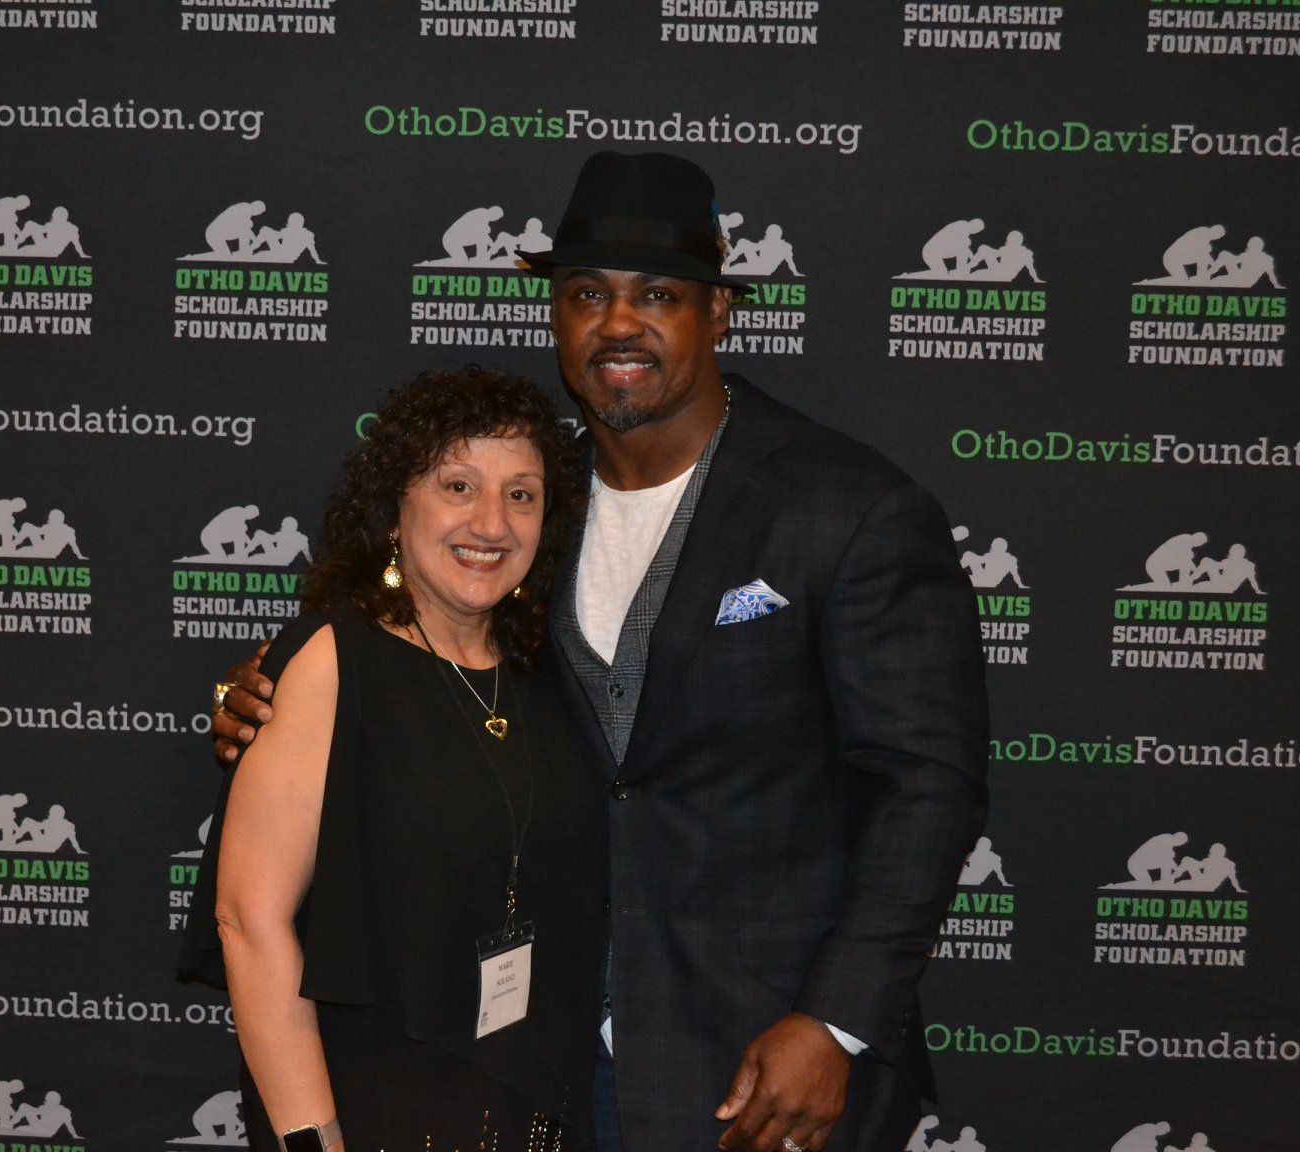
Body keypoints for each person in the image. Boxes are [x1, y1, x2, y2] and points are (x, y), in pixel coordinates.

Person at [214, 152, 987, 1152]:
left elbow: (927, 787)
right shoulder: (531, 507)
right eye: (587, 294)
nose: (619, 323)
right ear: (557, 316)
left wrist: (834, 1020)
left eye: (658, 294)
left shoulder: (848, 507)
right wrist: (276, 688)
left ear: (718, 312)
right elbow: (421, 655)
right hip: (549, 1069)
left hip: (768, 1067)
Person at [181, 368, 600, 1151]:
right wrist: (314, 1139)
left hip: (530, 1110)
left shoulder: (548, 673)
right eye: (457, 486)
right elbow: (249, 919)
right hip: (371, 1111)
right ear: (396, 507)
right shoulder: (331, 660)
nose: (492, 523)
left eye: (521, 495)